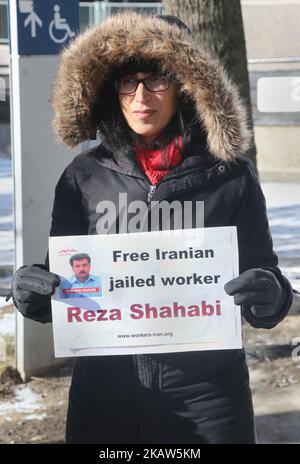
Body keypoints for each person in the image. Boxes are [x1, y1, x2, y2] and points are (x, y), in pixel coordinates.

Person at [8, 12, 293, 444]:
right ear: (110, 90)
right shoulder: (83, 177)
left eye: (157, 79)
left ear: (185, 85)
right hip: (103, 400)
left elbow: (264, 277)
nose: (141, 96)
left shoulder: (231, 176)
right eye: (128, 81)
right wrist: (32, 294)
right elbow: (63, 284)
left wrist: (271, 294)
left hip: (209, 401)